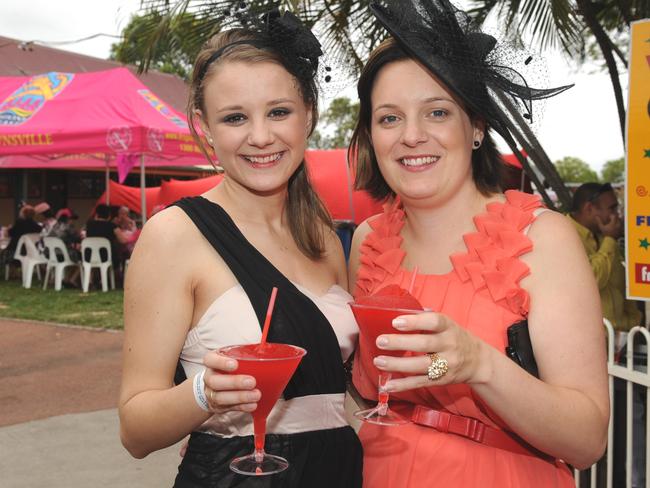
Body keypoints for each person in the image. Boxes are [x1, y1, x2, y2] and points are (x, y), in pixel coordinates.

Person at [346, 1, 609, 486]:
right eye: (388, 119)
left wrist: (480, 364)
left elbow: (588, 440)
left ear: (477, 128)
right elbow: (365, 392)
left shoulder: (541, 237)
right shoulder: (368, 242)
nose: (412, 136)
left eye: (438, 112)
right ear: (370, 136)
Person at [119, 8, 362, 488]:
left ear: (308, 114)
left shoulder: (324, 238)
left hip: (340, 471)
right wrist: (205, 394)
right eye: (234, 117)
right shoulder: (175, 235)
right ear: (204, 127)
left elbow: (349, 390)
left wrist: (439, 363)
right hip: (238, 476)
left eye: (279, 111)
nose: (260, 136)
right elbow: (135, 430)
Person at [568, 182, 641, 331]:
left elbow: (620, 283)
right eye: (612, 208)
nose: (616, 215)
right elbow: (591, 280)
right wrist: (610, 239)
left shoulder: (602, 235)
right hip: (588, 338)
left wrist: (632, 321)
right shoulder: (564, 234)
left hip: (618, 336)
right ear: (589, 208)